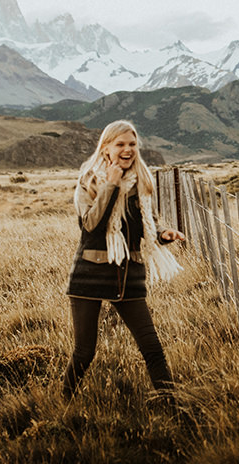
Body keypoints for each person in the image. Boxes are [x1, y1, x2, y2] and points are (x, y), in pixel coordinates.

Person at [62, 120, 186, 399]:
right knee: (84, 353)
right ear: (106, 148)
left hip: (128, 272)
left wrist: (163, 234)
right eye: (120, 144)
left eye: (132, 144)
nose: (127, 150)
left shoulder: (140, 182)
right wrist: (111, 185)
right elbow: (90, 226)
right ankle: (62, 401)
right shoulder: (88, 181)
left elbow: (147, 224)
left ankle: (172, 405)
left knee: (152, 347)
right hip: (90, 274)